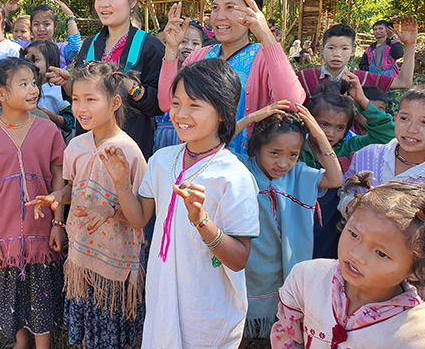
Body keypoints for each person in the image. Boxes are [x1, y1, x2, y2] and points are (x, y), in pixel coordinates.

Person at [96, 58, 260, 348]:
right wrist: (122, 183)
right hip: (162, 296)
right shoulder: (162, 160)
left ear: (223, 112)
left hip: (207, 308)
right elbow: (139, 219)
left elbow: (239, 259)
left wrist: (202, 222)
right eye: (176, 103)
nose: (181, 114)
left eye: (194, 105)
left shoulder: (234, 177)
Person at [28, 61, 148, 349]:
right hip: (82, 255)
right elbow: (73, 188)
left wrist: (111, 210)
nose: (81, 108)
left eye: (91, 100)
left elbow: (141, 216)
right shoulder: (76, 146)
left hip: (116, 267)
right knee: (86, 333)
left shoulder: (130, 153)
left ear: (115, 102)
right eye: (76, 100)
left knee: (116, 336)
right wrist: (57, 197)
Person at [0, 57, 65, 349]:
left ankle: (42, 345)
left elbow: (59, 177)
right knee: (12, 292)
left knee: (40, 293)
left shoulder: (48, 130)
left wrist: (58, 224)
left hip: (43, 232)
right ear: (0, 93)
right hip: (3, 232)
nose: (32, 89)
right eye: (23, 84)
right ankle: (21, 340)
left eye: (34, 83)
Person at [271, 175, 425, 348]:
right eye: (354, 234)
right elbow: (287, 334)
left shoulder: (414, 334)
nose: (357, 255)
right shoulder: (306, 278)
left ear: (418, 269)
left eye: (381, 253)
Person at [158, 0, 306, 154]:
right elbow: (166, 103)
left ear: (253, 11)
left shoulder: (264, 56)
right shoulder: (199, 56)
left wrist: (266, 36)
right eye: (215, 8)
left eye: (230, 7)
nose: (219, 17)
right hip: (195, 162)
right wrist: (172, 48)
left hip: (245, 167)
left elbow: (292, 102)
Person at [236, 105, 343, 340]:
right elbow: (215, 148)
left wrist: (318, 133)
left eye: (292, 155)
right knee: (239, 326)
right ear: (257, 148)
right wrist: (252, 118)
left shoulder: (299, 174)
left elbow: (336, 178)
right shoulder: (242, 168)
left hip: (285, 265)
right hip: (250, 264)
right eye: (275, 153)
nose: (283, 163)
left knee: (283, 329)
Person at [47, 0, 164, 160]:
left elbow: (158, 104)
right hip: (88, 152)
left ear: (132, 0)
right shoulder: (89, 44)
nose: (104, 4)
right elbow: (83, 94)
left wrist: (133, 88)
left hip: (130, 155)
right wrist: (68, 84)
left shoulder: (150, 47)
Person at [301, 75, 395, 259]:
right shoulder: (296, 152)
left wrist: (363, 101)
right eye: (324, 124)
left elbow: (388, 136)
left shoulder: (347, 148)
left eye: (339, 128)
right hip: (299, 229)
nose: (329, 133)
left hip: (330, 231)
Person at [341, 85, 425, 211]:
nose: (411, 130)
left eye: (424, 122)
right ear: (395, 118)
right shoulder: (366, 155)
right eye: (404, 118)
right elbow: (344, 191)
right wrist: (350, 204)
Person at [297, 19, 418, 96]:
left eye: (344, 49)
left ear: (352, 52)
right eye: (331, 48)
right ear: (322, 50)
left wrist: (410, 45)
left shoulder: (360, 79)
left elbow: (404, 82)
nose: (337, 54)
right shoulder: (305, 76)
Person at [153, 20, 206, 153]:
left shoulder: (204, 79)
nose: (188, 46)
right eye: (183, 41)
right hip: (161, 140)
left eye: (195, 43)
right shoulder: (161, 71)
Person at [23, 40, 75, 135]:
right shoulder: (21, 87)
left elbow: (69, 122)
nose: (31, 64)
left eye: (36, 60)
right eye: (27, 60)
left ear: (50, 63)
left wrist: (47, 115)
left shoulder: (58, 89)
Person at [27, 0, 82, 68]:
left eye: (46, 24)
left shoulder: (60, 50)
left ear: (55, 25)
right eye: (36, 24)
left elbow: (74, 46)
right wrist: (7, 13)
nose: (41, 29)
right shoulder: (26, 48)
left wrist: (70, 17)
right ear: (31, 26)